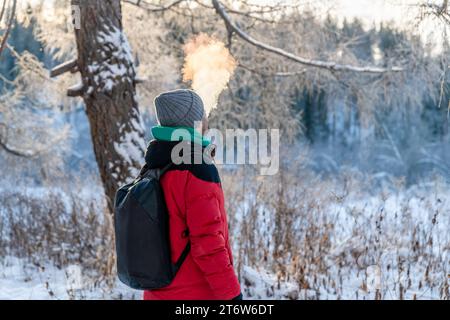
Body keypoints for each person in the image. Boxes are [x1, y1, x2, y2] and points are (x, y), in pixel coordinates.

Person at [143, 89, 242, 300]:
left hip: (156, 292)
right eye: (202, 113)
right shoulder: (197, 168)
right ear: (194, 121)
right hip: (195, 294)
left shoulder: (154, 165)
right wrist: (232, 295)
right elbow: (208, 243)